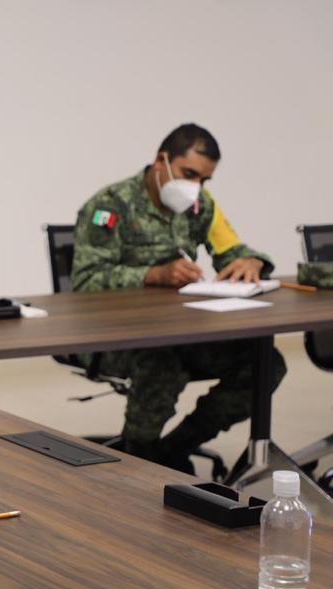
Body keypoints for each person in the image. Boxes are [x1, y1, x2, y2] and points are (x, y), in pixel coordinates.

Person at [71, 123, 286, 472]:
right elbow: (85, 282)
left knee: (265, 363)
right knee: (161, 365)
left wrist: (251, 262)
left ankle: (173, 450)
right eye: (189, 174)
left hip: (180, 332)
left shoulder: (201, 205)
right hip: (114, 338)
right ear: (162, 161)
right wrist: (154, 275)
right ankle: (136, 461)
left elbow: (231, 250)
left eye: (204, 179)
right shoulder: (110, 205)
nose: (195, 187)